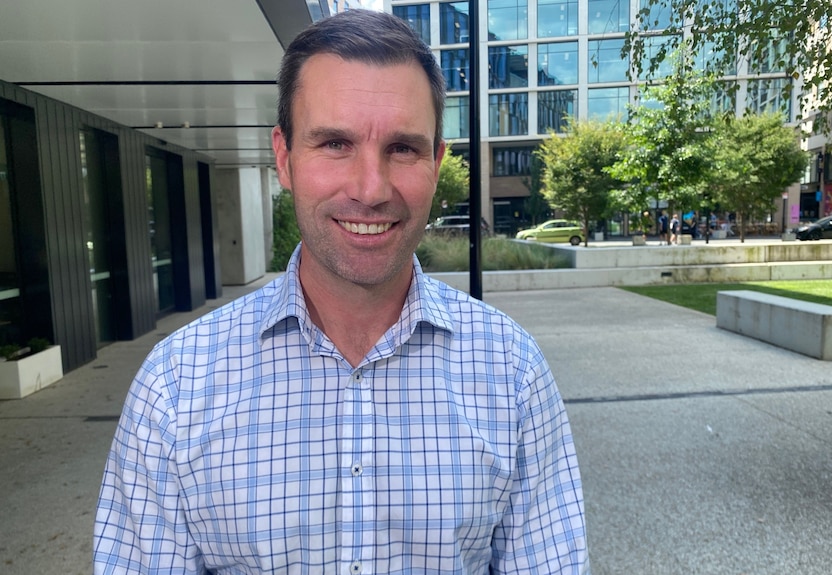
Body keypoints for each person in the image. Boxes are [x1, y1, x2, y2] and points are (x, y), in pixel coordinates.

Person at [93, 10, 589, 574]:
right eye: (334, 143)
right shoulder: (176, 388)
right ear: (283, 157)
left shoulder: (513, 373)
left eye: (402, 148)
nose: (370, 189)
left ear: (436, 162)